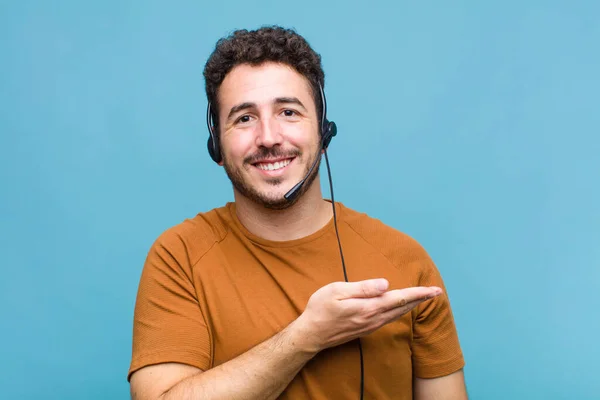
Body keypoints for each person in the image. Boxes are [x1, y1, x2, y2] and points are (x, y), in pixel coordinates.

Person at [127, 26, 467, 400]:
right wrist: (307, 336)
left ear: (323, 132)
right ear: (216, 145)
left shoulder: (405, 261)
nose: (269, 137)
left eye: (288, 112)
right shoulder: (179, 257)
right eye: (244, 118)